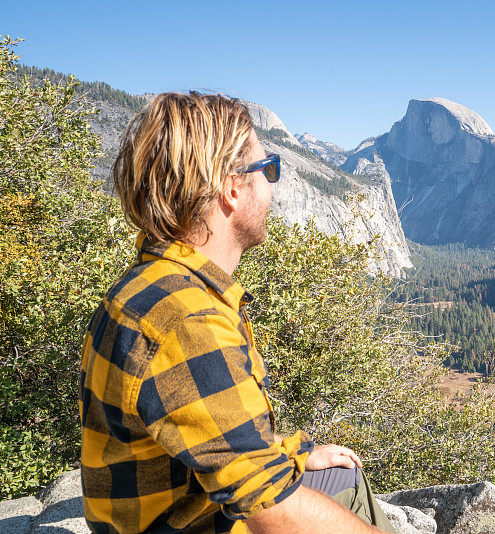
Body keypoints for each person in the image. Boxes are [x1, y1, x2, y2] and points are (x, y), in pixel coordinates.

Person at [79, 91, 396, 533]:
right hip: (187, 526)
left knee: (339, 474)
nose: (272, 186)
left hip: (166, 512)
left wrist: (291, 455)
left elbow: (198, 431)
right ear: (232, 187)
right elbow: (270, 508)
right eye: (269, 169)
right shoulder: (186, 321)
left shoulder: (154, 284)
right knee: (350, 495)